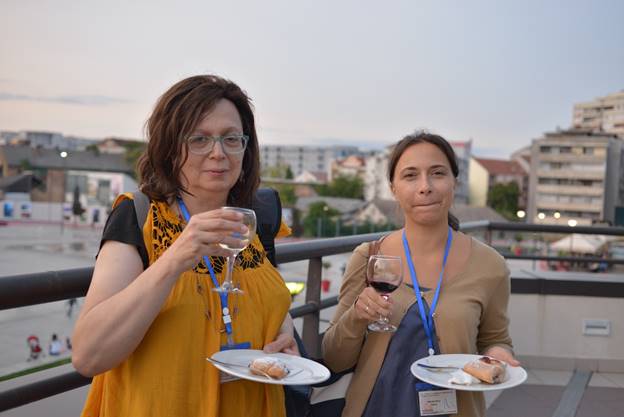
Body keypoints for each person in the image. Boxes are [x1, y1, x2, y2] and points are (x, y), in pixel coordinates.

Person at [72, 74, 297, 417]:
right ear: (170, 146)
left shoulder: (254, 220)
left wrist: (284, 335)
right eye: (199, 139)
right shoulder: (140, 216)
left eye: (231, 138)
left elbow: (265, 302)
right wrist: (177, 255)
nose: (218, 153)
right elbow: (89, 355)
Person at [322, 131, 519, 417]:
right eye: (410, 175)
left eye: (437, 173)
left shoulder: (491, 265)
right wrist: (356, 316)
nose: (425, 187)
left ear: (455, 181)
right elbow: (333, 358)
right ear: (393, 188)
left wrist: (499, 355)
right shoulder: (368, 257)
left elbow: (496, 339)